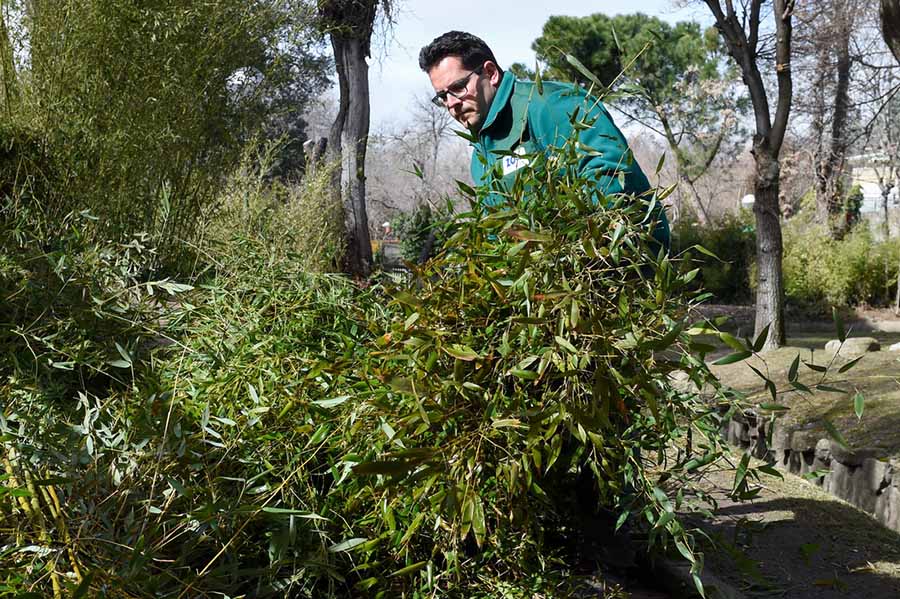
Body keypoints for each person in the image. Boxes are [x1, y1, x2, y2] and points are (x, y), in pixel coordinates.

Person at [418, 30, 669, 248]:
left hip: (611, 278)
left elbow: (612, 185)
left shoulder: (553, 106)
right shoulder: (480, 157)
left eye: (458, 87)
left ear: (491, 73)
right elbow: (497, 231)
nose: (452, 104)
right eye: (442, 96)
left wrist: (575, 256)